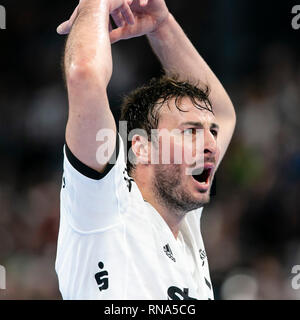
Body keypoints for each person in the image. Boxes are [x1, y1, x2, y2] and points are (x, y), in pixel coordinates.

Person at [55, 0, 236, 300]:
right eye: (190, 131)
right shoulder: (105, 206)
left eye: (211, 133)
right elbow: (84, 76)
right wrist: (95, 3)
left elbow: (223, 114)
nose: (211, 146)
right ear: (141, 146)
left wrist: (162, 25)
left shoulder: (185, 221)